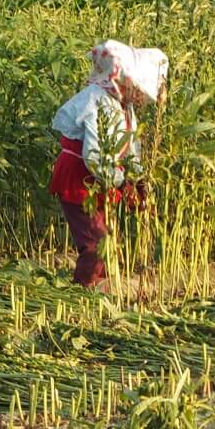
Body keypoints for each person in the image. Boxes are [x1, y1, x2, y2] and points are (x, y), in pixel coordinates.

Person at [48, 40, 168, 289]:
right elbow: (94, 156)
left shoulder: (123, 105)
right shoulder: (96, 101)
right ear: (123, 79)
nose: (141, 96)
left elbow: (129, 145)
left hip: (99, 178)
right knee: (96, 242)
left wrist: (138, 178)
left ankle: (99, 287)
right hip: (79, 179)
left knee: (105, 237)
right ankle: (84, 290)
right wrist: (121, 181)